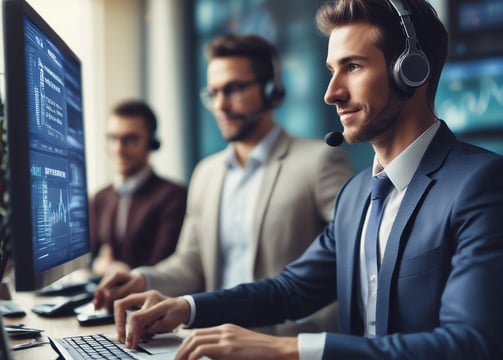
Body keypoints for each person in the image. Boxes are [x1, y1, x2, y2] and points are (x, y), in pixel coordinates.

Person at [113, 0, 503, 359]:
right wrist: (188, 307)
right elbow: (292, 289)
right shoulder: (356, 195)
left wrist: (289, 350)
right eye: (333, 70)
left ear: (410, 70)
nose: (331, 93)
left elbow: (469, 343)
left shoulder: (479, 184)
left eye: (352, 67)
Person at [94, 34, 353, 335]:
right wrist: (143, 279)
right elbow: (191, 263)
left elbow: (352, 257)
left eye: (233, 89)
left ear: (271, 90)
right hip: (216, 342)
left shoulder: (320, 162)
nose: (221, 105)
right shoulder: (206, 173)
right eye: (213, 93)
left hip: (288, 344)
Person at [89, 100, 187, 275]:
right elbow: (86, 261)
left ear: (152, 143)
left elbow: (162, 268)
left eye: (130, 139)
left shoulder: (174, 197)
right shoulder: (99, 198)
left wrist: (116, 270)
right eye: (113, 139)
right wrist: (97, 265)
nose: (119, 148)